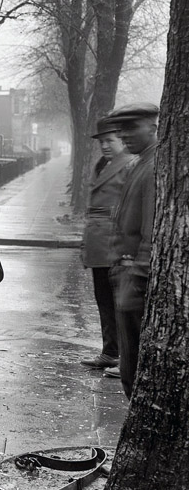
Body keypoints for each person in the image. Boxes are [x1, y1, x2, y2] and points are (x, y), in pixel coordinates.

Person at [100, 103, 159, 397]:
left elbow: (152, 227)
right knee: (130, 362)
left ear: (152, 126)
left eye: (132, 127)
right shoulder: (141, 163)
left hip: (136, 278)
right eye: (122, 129)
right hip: (126, 271)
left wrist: (138, 273)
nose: (125, 135)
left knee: (134, 366)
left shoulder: (153, 166)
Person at [79, 118, 134, 371]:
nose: (105, 146)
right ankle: (110, 352)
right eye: (101, 142)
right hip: (98, 244)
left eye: (110, 140)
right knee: (103, 300)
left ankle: (127, 359)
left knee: (121, 304)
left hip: (116, 243)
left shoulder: (130, 164)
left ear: (122, 139)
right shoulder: (102, 164)